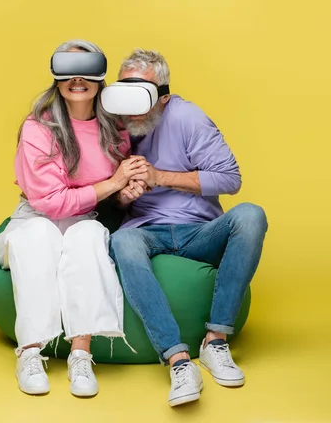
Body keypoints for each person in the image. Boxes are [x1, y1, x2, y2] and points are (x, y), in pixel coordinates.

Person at [109, 49, 268, 407]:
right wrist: (123, 195)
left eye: (143, 95)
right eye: (125, 92)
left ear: (162, 96)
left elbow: (230, 179)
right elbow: (106, 195)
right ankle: (178, 360)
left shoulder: (188, 118)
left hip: (200, 231)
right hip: (145, 229)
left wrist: (159, 177)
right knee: (122, 241)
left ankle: (215, 341)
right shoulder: (114, 125)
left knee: (251, 215)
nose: (132, 106)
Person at [0, 40, 148, 397]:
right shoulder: (38, 128)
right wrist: (113, 182)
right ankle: (30, 352)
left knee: (88, 236)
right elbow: (49, 202)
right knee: (39, 237)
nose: (77, 79)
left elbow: (116, 194)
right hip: (35, 218)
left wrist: (124, 193)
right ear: (56, 78)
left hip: (83, 219)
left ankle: (81, 354)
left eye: (87, 70)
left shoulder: (114, 130)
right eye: (67, 70)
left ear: (100, 77)